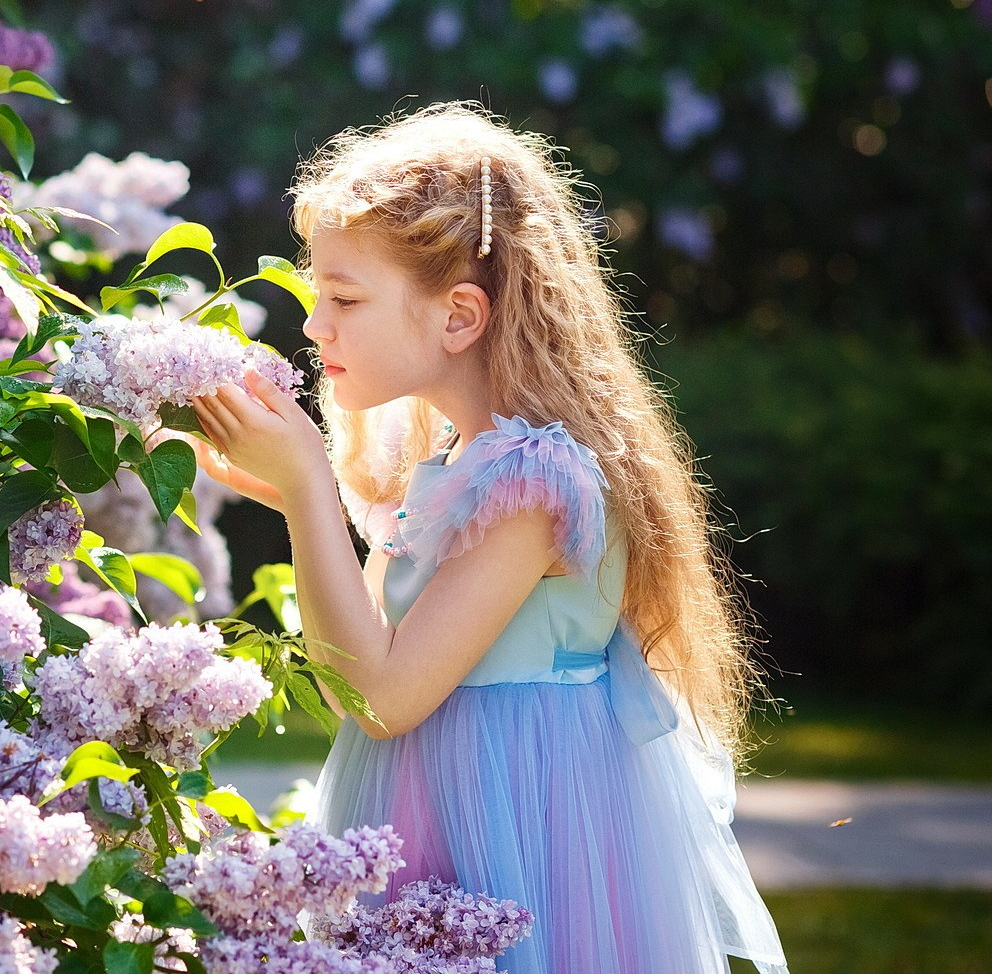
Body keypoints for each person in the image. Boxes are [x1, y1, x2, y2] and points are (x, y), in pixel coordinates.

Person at [184, 101, 788, 973]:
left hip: (523, 841)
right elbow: (362, 657)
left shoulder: (536, 483)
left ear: (459, 316)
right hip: (440, 823)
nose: (316, 327)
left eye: (345, 299)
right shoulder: (451, 460)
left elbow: (382, 697)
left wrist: (309, 483)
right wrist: (293, 497)